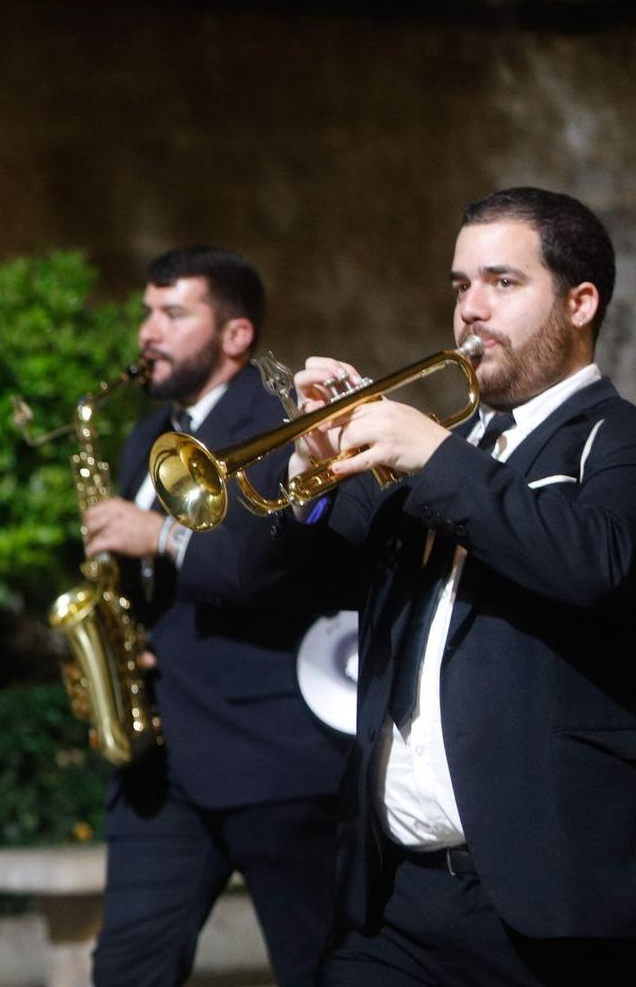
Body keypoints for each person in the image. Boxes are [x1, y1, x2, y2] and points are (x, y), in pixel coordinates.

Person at [253, 187, 635, 984]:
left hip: (547, 906)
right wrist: (310, 467)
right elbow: (297, 577)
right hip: (395, 901)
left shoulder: (615, 438)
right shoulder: (449, 453)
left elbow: (598, 565)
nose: (470, 309)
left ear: (580, 302)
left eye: (503, 281)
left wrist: (436, 455)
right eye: (460, 285)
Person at [79, 247, 345, 986]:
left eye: (173, 313)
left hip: (271, 752)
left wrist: (159, 536)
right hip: (162, 765)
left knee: (317, 964)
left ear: (235, 335)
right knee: (127, 969)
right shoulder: (145, 437)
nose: (147, 332)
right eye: (145, 312)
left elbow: (276, 565)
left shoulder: (280, 421)